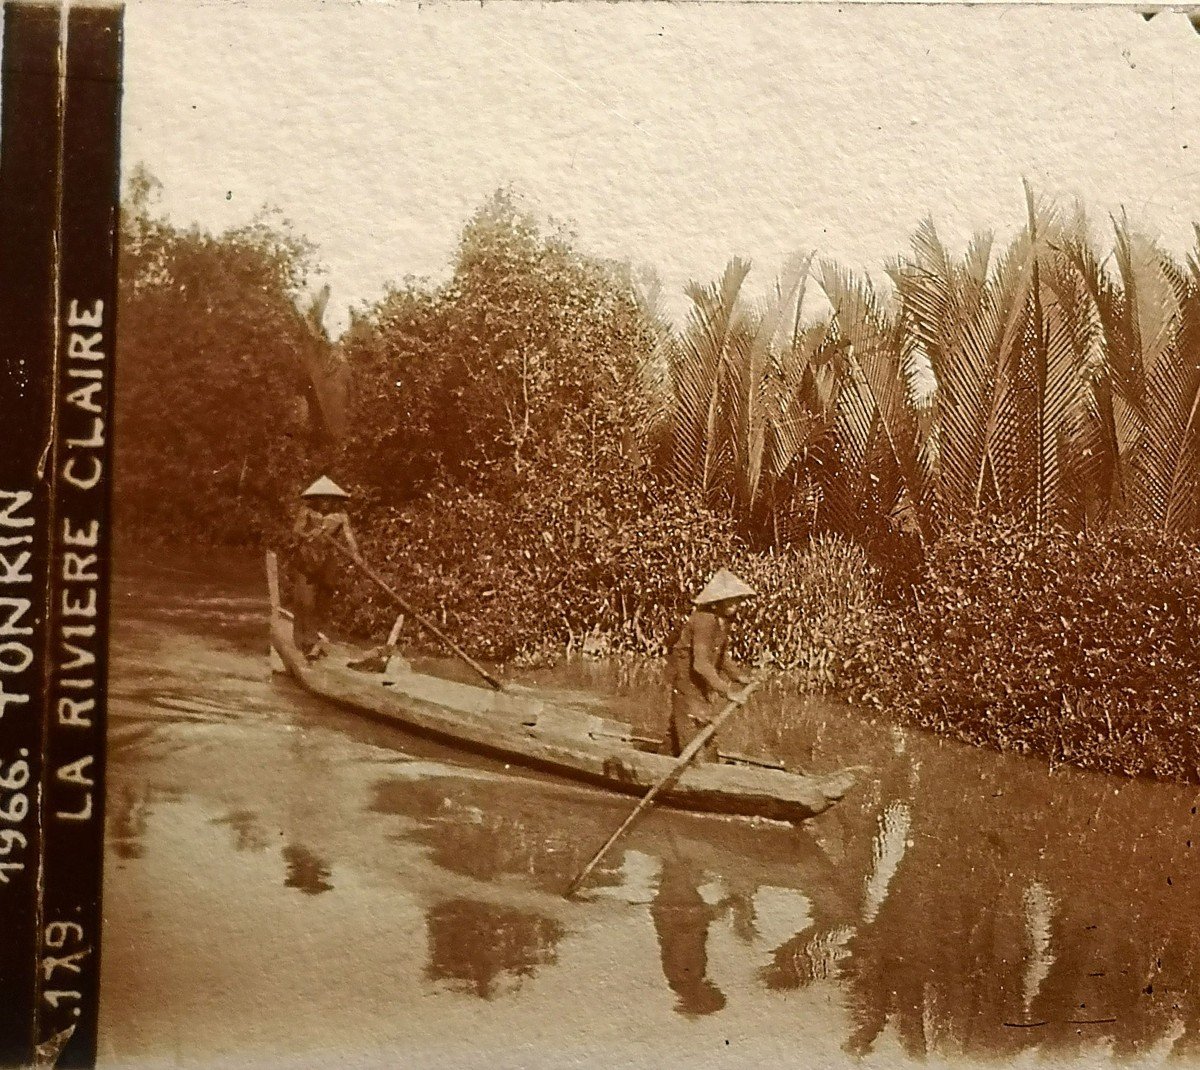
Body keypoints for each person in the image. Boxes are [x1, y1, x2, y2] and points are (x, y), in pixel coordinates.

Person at [664, 568, 757, 762]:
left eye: (738, 599)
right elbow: (700, 664)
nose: (736, 604)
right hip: (687, 684)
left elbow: (721, 658)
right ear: (717, 602)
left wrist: (739, 677)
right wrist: (726, 690)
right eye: (731, 600)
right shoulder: (704, 620)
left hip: (699, 686)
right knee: (697, 738)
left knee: (682, 737)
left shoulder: (722, 622)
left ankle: (662, 758)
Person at [290, 476, 362, 660]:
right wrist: (309, 535)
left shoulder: (341, 516)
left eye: (329, 499)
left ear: (334, 499)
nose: (325, 502)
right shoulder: (307, 511)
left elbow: (349, 538)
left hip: (326, 559)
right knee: (306, 601)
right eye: (322, 498)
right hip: (307, 557)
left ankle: (318, 637)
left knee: (325, 597)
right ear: (316, 498)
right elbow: (296, 531)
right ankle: (303, 640)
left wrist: (356, 555)